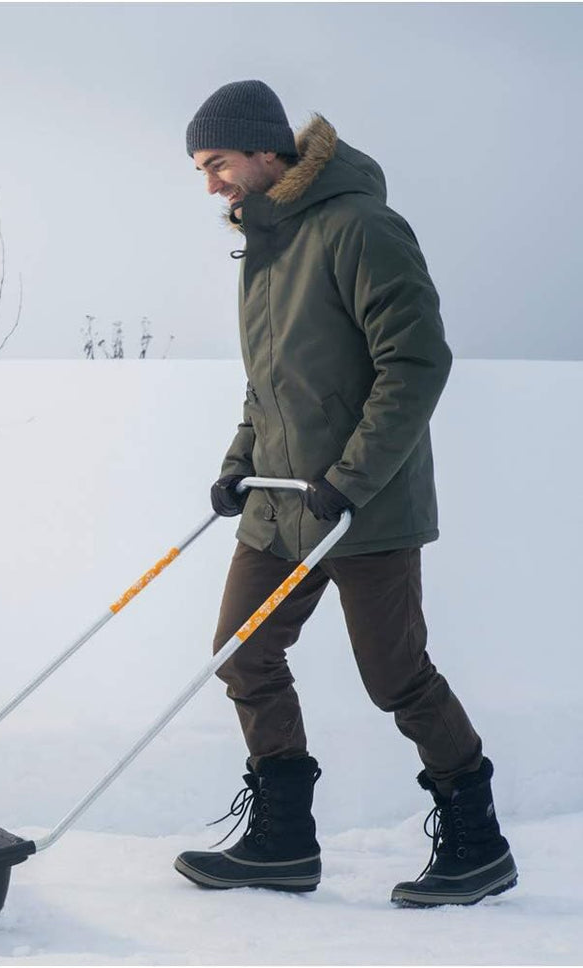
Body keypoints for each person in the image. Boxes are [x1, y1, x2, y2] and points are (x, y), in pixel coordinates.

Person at [171, 80, 517, 906]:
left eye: (216, 164)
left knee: (395, 677)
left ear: (264, 150)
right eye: (200, 170)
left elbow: (415, 364)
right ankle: (282, 843)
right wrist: (236, 463)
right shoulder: (264, 246)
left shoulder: (361, 228)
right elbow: (271, 385)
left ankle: (478, 843)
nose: (210, 184)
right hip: (280, 500)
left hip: (363, 506)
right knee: (242, 652)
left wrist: (349, 478)